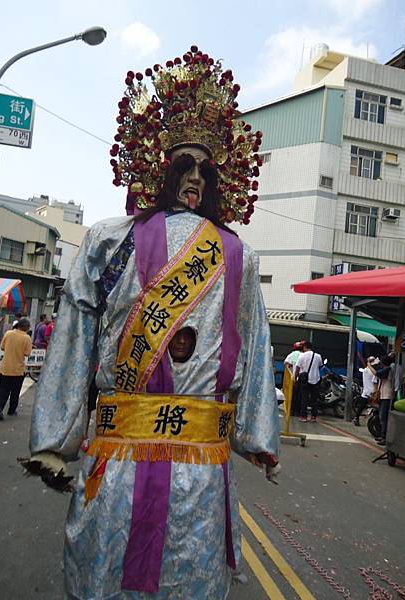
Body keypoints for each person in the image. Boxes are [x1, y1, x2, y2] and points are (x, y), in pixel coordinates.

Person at [23, 46, 280, 600]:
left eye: (203, 170)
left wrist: (259, 435)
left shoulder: (240, 256)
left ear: (220, 180)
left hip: (198, 472)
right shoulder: (108, 241)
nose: (193, 179)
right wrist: (54, 441)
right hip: (119, 460)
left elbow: (256, 353)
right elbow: (72, 344)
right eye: (181, 165)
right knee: (109, 579)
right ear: (158, 171)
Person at [0, 317, 32, 421]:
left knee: (3, 389)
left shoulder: (8, 333)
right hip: (18, 370)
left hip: (5, 367)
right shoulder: (27, 338)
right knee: (15, 391)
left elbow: (2, 347)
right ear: (25, 327)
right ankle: (11, 410)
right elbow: (27, 353)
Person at [295, 340, 323, 423]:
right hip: (316, 380)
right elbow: (320, 366)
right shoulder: (318, 356)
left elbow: (297, 369)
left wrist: (296, 379)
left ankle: (304, 417)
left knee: (304, 399)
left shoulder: (302, 356)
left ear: (305, 347)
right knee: (314, 400)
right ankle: (314, 417)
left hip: (305, 381)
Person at [374, 355, 395, 446]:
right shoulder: (386, 369)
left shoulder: (388, 370)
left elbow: (377, 373)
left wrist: (370, 366)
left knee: (383, 417)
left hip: (387, 396)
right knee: (381, 416)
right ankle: (382, 435)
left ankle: (384, 437)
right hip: (383, 395)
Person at [352, 356, 377, 426]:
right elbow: (375, 377)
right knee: (373, 407)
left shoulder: (365, 370)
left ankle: (356, 417)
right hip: (371, 392)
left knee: (362, 406)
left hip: (366, 391)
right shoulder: (372, 372)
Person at [284, 341, 304, 416]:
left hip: (293, 378)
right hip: (303, 378)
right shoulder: (304, 355)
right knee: (300, 396)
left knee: (292, 395)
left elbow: (286, 363)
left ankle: (291, 410)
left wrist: (291, 365)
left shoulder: (292, 354)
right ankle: (298, 411)